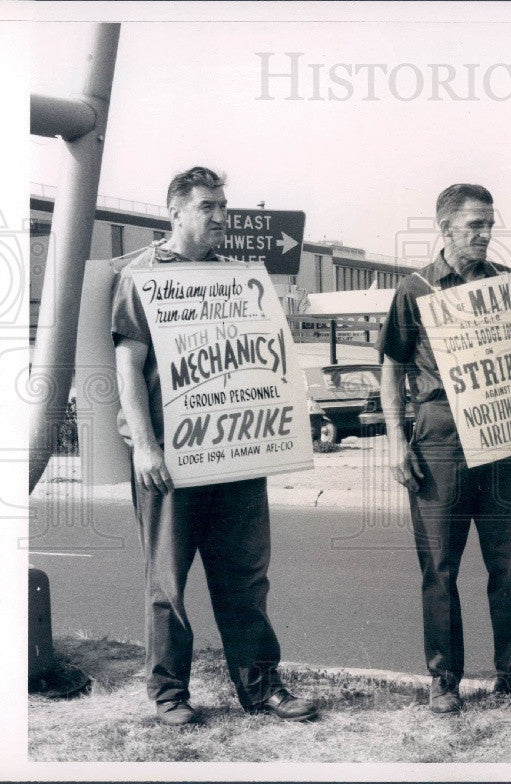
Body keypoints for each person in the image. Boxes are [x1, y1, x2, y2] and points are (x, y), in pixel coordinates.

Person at [111, 166, 317, 725]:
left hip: (237, 456)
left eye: (223, 206)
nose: (221, 217)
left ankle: (261, 687)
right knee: (167, 583)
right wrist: (145, 445)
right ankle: (169, 693)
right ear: (175, 211)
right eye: (208, 207)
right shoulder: (143, 275)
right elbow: (128, 363)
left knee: (246, 578)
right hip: (171, 461)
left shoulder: (236, 277)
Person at [378, 184, 511, 714]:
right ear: (445, 228)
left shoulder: (506, 284)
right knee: (440, 567)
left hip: (504, 436)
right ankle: (444, 680)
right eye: (474, 225)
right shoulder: (413, 290)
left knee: (510, 563)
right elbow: (391, 367)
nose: (485, 234)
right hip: (439, 438)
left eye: (489, 224)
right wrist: (397, 442)